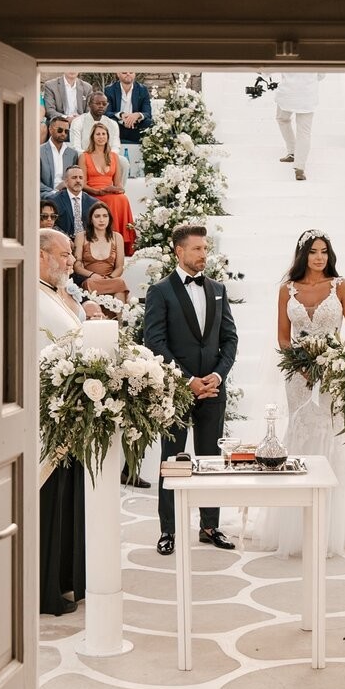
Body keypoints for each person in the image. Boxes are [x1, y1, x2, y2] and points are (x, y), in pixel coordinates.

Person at [256, 229, 345, 558]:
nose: (319, 257)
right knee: (300, 432)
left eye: (324, 252)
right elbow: (283, 337)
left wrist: (335, 361)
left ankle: (331, 525)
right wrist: (299, 363)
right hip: (298, 377)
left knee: (331, 436)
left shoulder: (341, 286)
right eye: (313, 252)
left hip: (332, 376)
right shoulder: (287, 290)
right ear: (302, 255)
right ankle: (293, 524)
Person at [143, 223, 239, 555]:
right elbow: (155, 343)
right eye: (197, 248)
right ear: (179, 251)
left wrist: (218, 376)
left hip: (212, 389)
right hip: (176, 392)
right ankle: (168, 530)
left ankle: (210, 526)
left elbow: (230, 339)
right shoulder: (160, 291)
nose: (204, 254)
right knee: (172, 460)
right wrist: (188, 381)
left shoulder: (218, 289)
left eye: (205, 248)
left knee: (211, 458)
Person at [38, 228, 89, 616]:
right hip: (49, 416)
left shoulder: (55, 293)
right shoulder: (32, 296)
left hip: (70, 412)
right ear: (41, 256)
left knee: (68, 500)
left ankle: (66, 579)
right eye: (64, 254)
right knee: (49, 503)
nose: (71, 260)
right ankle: (46, 589)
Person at [78, 123, 135, 255]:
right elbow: (82, 184)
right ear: (92, 137)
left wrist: (117, 189)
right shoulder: (84, 156)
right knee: (113, 200)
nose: (101, 137)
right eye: (98, 134)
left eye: (103, 134)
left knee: (122, 199)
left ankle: (123, 243)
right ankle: (110, 242)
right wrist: (98, 191)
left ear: (108, 137)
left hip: (110, 191)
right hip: (92, 193)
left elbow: (118, 184)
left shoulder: (114, 156)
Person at [73, 203, 129, 309]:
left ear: (109, 218)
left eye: (105, 216)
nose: (101, 220)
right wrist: (92, 275)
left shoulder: (117, 237)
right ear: (91, 219)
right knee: (89, 283)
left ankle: (122, 318)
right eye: (97, 216)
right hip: (91, 279)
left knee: (120, 283)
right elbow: (77, 266)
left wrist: (109, 278)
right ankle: (94, 314)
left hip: (111, 278)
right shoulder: (81, 236)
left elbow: (119, 267)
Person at [68, 91, 129, 186]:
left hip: (107, 156)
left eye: (104, 104)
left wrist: (105, 157)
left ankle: (118, 189)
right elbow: (75, 147)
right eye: (98, 103)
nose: (101, 106)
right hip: (84, 157)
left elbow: (116, 147)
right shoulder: (78, 122)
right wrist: (92, 158)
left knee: (123, 162)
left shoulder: (112, 123)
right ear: (89, 104)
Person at [275, 72, 325, 181]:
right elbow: (321, 75)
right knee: (304, 132)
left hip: (287, 94)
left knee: (282, 119)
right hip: (308, 96)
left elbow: (271, 68)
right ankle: (300, 168)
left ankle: (292, 151)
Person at [105, 70, 153, 178]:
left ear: (135, 74)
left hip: (136, 126)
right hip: (117, 126)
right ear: (118, 74)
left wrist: (137, 115)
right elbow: (107, 112)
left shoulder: (142, 89)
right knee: (108, 123)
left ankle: (147, 165)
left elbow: (148, 113)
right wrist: (121, 115)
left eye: (131, 72)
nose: (128, 74)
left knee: (149, 123)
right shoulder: (109, 90)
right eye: (124, 72)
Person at [49, 165, 100, 240]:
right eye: (74, 177)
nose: (78, 180)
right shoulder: (54, 201)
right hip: (63, 241)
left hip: (88, 241)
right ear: (66, 182)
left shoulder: (93, 203)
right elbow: (51, 225)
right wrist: (66, 239)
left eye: (81, 178)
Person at [40, 116, 79, 198]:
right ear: (50, 130)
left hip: (67, 193)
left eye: (66, 131)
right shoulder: (39, 151)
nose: (63, 133)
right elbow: (35, 181)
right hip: (46, 194)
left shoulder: (73, 153)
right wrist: (55, 191)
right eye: (60, 130)